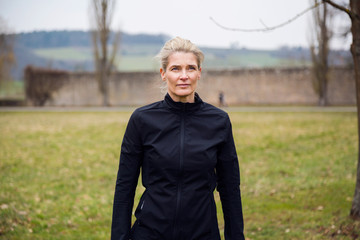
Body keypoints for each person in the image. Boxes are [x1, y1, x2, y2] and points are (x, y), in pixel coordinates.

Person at [111, 37, 245, 240]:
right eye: (175, 69)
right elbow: (125, 186)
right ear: (163, 74)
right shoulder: (142, 120)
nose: (184, 76)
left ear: (199, 73)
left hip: (203, 234)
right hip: (150, 233)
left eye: (190, 68)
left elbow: (230, 187)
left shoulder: (219, 121)